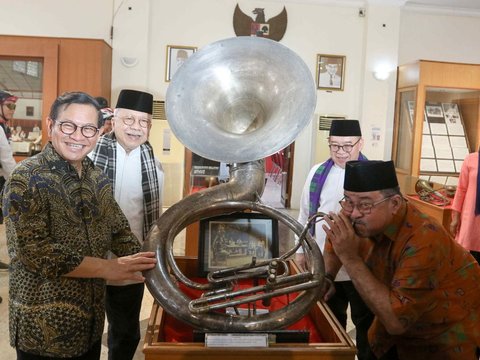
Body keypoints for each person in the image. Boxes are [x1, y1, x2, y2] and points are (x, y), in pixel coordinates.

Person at [2, 91, 157, 359]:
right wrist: (109, 268)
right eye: (68, 125)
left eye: (88, 129)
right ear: (51, 125)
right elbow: (37, 253)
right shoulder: (26, 178)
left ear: (98, 132)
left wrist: (150, 264)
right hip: (44, 327)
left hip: (88, 324)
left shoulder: (96, 176)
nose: (77, 136)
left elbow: (118, 228)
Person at [322, 160, 480, 359]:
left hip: (442, 341)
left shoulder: (424, 239)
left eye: (365, 204)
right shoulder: (356, 215)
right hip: (387, 336)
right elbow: (335, 242)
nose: (354, 213)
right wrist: (328, 275)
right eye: (348, 201)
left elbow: (396, 322)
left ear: (395, 203)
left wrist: (351, 259)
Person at [90, 89, 164, 360]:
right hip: (91, 259)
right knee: (86, 330)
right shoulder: (91, 154)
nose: (136, 127)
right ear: (115, 119)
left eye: (143, 121)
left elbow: (153, 218)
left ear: (149, 126)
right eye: (129, 120)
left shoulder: (153, 162)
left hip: (131, 258)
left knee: (126, 331)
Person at [296, 119, 374, 359]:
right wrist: (300, 251)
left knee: (366, 324)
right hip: (325, 262)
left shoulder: (373, 174)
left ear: (360, 143)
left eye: (347, 146)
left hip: (362, 265)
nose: (341, 152)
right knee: (330, 320)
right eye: (335, 146)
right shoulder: (317, 172)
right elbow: (304, 212)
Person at [450, 150, 480, 264]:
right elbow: (461, 189)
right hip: (471, 219)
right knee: (468, 261)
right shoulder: (471, 159)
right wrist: (455, 218)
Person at [0, 91, 18, 276]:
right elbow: (6, 160)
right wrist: (18, 183)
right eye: (9, 106)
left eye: (14, 106)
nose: (12, 110)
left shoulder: (3, 127)